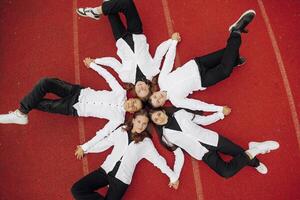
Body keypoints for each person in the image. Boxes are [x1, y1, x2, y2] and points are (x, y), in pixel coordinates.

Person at [0, 62, 142, 140]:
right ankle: (21, 113)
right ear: (133, 98)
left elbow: (103, 133)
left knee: (41, 104)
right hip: (77, 92)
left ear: (132, 112)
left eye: (134, 107)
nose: (132, 104)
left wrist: (85, 147)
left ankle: (21, 113)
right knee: (46, 82)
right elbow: (109, 77)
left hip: (74, 108)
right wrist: (93, 65)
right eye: (135, 101)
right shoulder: (120, 92)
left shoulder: (118, 118)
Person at [149, 10, 256, 112]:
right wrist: (218, 109)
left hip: (197, 64)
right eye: (158, 101)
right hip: (203, 80)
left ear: (154, 92)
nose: (158, 97)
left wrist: (173, 42)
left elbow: (168, 62)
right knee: (225, 71)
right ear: (162, 104)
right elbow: (196, 105)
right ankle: (236, 31)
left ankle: (235, 60)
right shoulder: (176, 101)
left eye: (155, 96)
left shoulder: (162, 81)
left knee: (226, 53)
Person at [76, 0, 181, 101]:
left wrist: (96, 61)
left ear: (135, 91)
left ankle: (98, 10)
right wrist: (171, 41)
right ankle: (95, 11)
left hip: (121, 39)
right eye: (144, 89)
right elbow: (159, 53)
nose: (141, 88)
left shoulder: (125, 77)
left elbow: (113, 62)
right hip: (137, 33)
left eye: (139, 91)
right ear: (149, 87)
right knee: (127, 3)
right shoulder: (153, 70)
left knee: (109, 8)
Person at [72, 110, 180, 200]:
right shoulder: (121, 130)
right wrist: (85, 149)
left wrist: (173, 177)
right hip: (105, 171)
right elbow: (105, 143)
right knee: (77, 189)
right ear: (133, 120)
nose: (141, 126)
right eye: (138, 121)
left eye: (144, 124)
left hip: (121, 181)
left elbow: (158, 161)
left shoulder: (146, 143)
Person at [149, 107, 280, 178]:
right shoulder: (165, 137)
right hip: (203, 154)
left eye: (158, 115)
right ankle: (255, 149)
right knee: (226, 173)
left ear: (163, 111)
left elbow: (202, 120)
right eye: (155, 119)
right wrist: (174, 176)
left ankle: (255, 161)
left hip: (213, 139)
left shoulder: (181, 114)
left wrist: (219, 114)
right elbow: (178, 154)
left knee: (239, 153)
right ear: (155, 123)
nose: (159, 119)